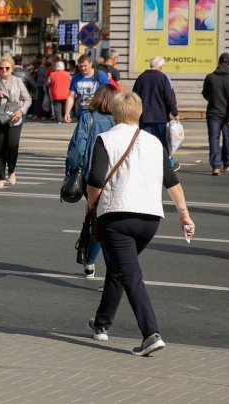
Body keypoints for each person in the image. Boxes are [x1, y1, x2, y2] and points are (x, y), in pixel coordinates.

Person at [86, 91, 195, 356]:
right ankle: (101, 324)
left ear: (114, 112)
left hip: (117, 216)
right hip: (150, 219)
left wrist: (91, 207)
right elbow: (172, 182)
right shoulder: (155, 142)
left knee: (130, 276)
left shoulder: (106, 139)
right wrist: (184, 214)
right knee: (120, 268)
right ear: (139, 112)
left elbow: (95, 180)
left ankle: (150, 333)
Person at [65, 85, 117, 278]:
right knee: (108, 221)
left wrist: (70, 170)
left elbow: (78, 147)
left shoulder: (88, 117)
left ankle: (90, 261)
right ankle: (103, 266)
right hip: (114, 176)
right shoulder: (119, 121)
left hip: (91, 175)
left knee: (96, 217)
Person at [0, 56, 32, 188]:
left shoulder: (17, 81)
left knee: (12, 145)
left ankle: (11, 170)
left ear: (12, 69)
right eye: (1, 68)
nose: (4, 70)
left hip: (14, 118)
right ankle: (1, 177)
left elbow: (27, 99)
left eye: (7, 68)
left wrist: (21, 111)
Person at [132, 56, 180, 169]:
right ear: (161, 66)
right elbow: (169, 97)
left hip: (144, 117)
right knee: (161, 143)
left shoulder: (141, 77)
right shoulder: (163, 78)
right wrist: (175, 112)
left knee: (144, 142)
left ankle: (145, 165)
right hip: (160, 117)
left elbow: (134, 96)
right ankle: (165, 167)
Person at [202, 53, 229, 175]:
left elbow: (205, 94)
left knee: (214, 138)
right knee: (227, 138)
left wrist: (213, 99)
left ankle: (216, 166)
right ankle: (227, 163)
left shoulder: (210, 77)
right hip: (228, 114)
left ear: (219, 62)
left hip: (213, 113)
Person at [64, 54, 110, 122]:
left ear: (90, 64)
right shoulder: (75, 78)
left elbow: (108, 93)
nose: (83, 68)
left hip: (98, 112)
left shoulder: (101, 75)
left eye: (85, 66)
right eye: (80, 66)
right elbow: (71, 96)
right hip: (82, 113)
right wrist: (67, 113)